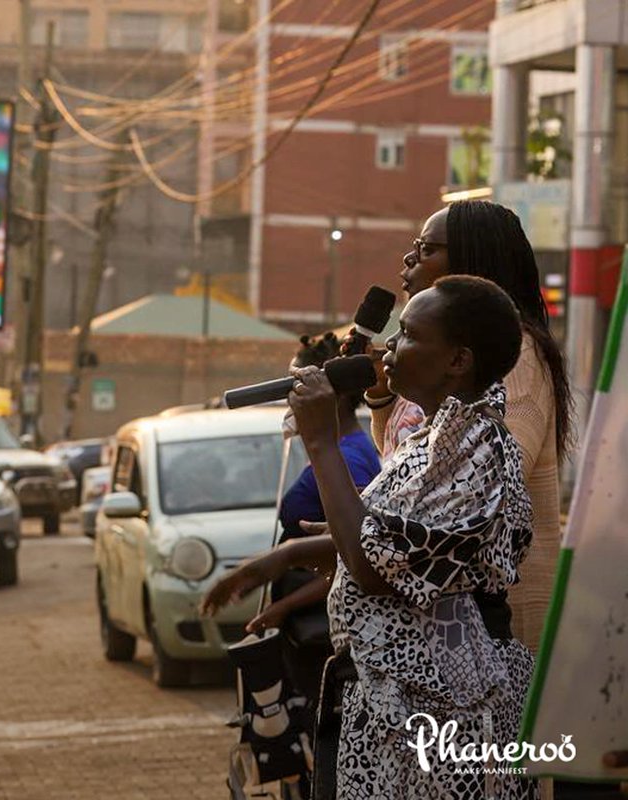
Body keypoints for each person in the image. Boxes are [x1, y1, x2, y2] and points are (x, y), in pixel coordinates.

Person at [204, 276, 537, 800]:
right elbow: (394, 543)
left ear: (458, 360)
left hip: (444, 709)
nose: (388, 349)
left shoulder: (480, 447)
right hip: (393, 699)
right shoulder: (428, 441)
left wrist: (320, 440)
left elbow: (375, 565)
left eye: (407, 335)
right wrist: (283, 557)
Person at [355, 200, 572, 652]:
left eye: (428, 248)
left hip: (492, 638)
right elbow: (407, 459)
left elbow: (472, 480)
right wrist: (379, 397)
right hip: (440, 625)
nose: (409, 259)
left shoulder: (516, 361)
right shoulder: (443, 360)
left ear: (474, 263)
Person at [260, 331, 382, 708]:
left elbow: (359, 551)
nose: (290, 399)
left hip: (322, 629)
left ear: (333, 393)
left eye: (298, 386)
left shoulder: (349, 458)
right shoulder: (336, 449)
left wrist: (287, 605)